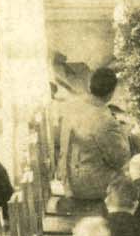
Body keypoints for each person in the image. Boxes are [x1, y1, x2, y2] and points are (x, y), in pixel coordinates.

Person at [48, 64, 135, 211]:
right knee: (133, 179)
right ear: (111, 93)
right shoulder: (104, 119)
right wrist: (124, 133)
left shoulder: (71, 106)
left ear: (90, 85)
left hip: (67, 179)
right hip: (90, 186)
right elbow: (119, 159)